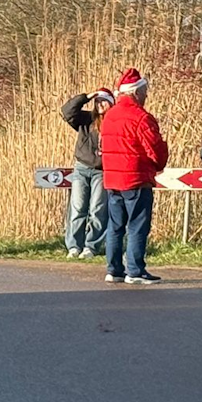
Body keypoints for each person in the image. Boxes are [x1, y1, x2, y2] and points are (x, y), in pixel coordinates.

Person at [98, 67, 169, 285]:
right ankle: (135, 270)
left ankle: (114, 270)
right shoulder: (141, 117)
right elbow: (154, 148)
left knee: (115, 226)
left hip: (112, 180)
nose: (146, 96)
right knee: (137, 225)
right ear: (136, 92)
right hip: (136, 178)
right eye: (144, 91)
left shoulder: (109, 116)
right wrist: (159, 163)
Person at [60, 87, 114, 258]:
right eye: (97, 101)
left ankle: (91, 246)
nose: (100, 104)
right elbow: (67, 111)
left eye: (104, 101)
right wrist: (86, 97)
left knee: (97, 209)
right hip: (82, 168)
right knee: (77, 207)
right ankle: (74, 246)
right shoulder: (86, 119)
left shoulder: (115, 123)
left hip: (102, 171)